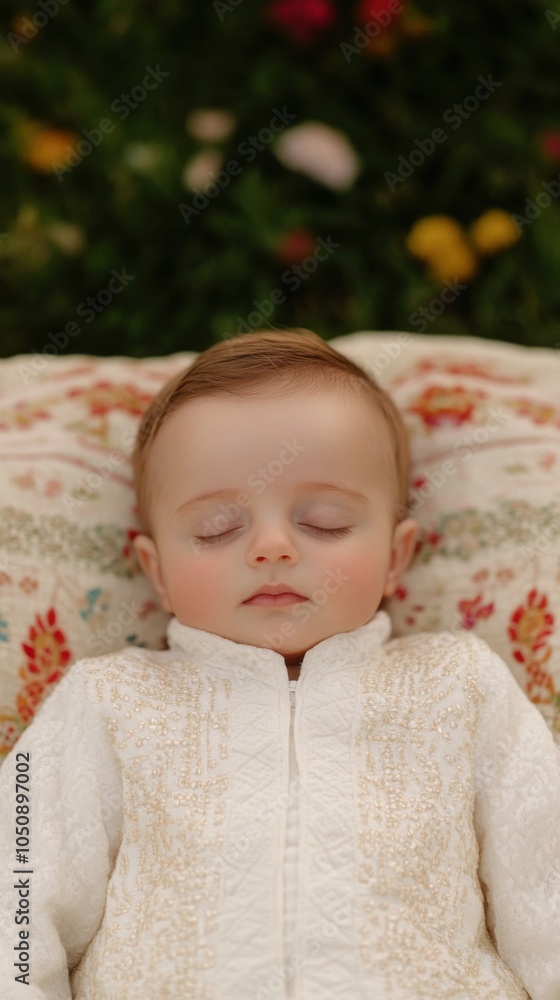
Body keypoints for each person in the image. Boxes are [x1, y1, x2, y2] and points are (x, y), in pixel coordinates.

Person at [0, 328, 559, 1000]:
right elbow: (19, 893)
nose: (271, 547)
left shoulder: (458, 683)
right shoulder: (108, 698)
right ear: (158, 571)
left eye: (323, 521)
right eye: (216, 528)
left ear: (396, 555)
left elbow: (545, 876)